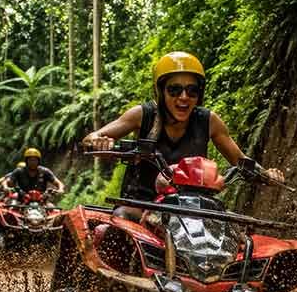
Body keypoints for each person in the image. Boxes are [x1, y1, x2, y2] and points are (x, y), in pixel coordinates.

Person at [81, 51, 284, 220]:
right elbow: (91, 138)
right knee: (121, 219)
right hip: (140, 205)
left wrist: (266, 175)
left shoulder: (209, 121)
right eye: (175, 90)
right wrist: (99, 142)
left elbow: (241, 161)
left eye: (192, 91)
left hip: (190, 207)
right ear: (161, 92)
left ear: (199, 94)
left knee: (233, 231)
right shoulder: (143, 115)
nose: (184, 97)